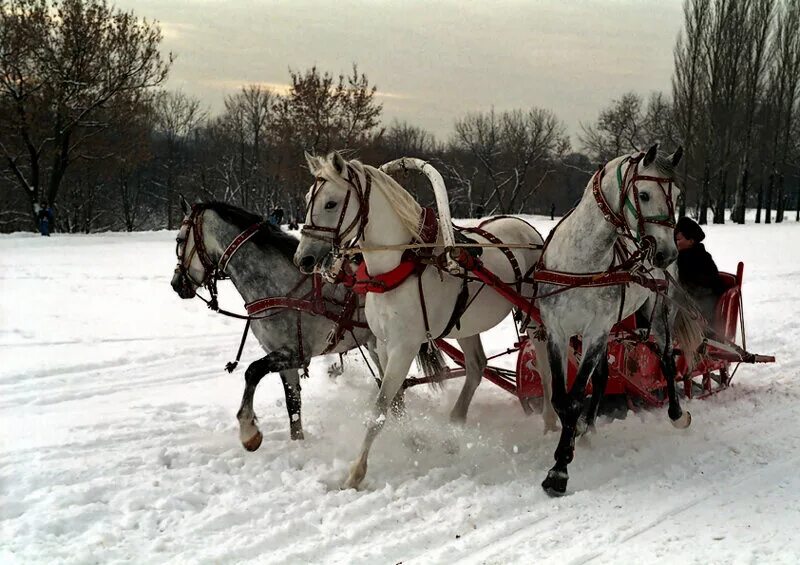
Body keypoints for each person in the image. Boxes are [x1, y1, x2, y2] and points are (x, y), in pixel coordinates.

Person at [674, 217, 725, 323]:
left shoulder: (702, 257)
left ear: (691, 241)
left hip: (704, 301)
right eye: (675, 239)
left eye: (679, 240)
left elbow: (706, 284)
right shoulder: (676, 257)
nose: (676, 242)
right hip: (684, 299)